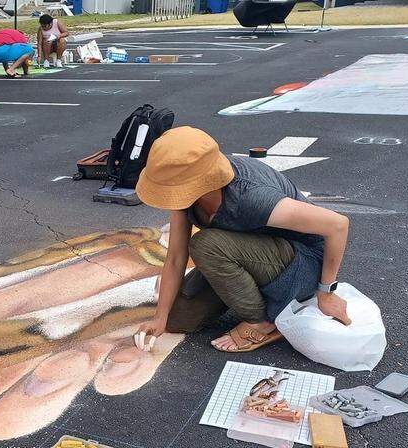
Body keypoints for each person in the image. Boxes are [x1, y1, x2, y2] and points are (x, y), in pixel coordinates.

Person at [132, 127, 352, 353]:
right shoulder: (186, 191)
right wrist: (160, 317)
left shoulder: (251, 195)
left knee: (205, 245)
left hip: (302, 265)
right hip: (256, 255)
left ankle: (262, 322)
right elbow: (176, 256)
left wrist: (326, 293)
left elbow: (337, 225)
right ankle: (262, 300)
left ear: (191, 183)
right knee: (178, 318)